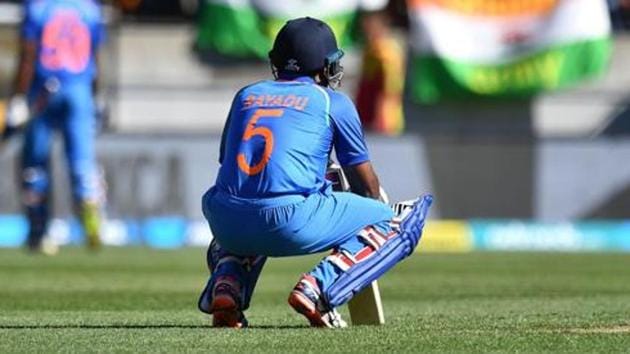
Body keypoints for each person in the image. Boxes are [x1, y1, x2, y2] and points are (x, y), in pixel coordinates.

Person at [197, 17, 432, 328]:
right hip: (289, 219)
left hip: (224, 223)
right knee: (401, 219)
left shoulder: (245, 95)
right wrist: (366, 216)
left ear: (276, 61)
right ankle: (319, 288)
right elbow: (366, 184)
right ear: (325, 66)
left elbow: (230, 162)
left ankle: (229, 280)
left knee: (248, 199)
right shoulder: (332, 102)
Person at [5, 0, 106, 253]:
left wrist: (18, 96)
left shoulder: (37, 7)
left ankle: (39, 229)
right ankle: (89, 204)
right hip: (80, 89)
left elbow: (28, 53)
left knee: (35, 163)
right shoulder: (89, 9)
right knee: (82, 161)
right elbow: (94, 55)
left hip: (44, 89)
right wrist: (98, 95)